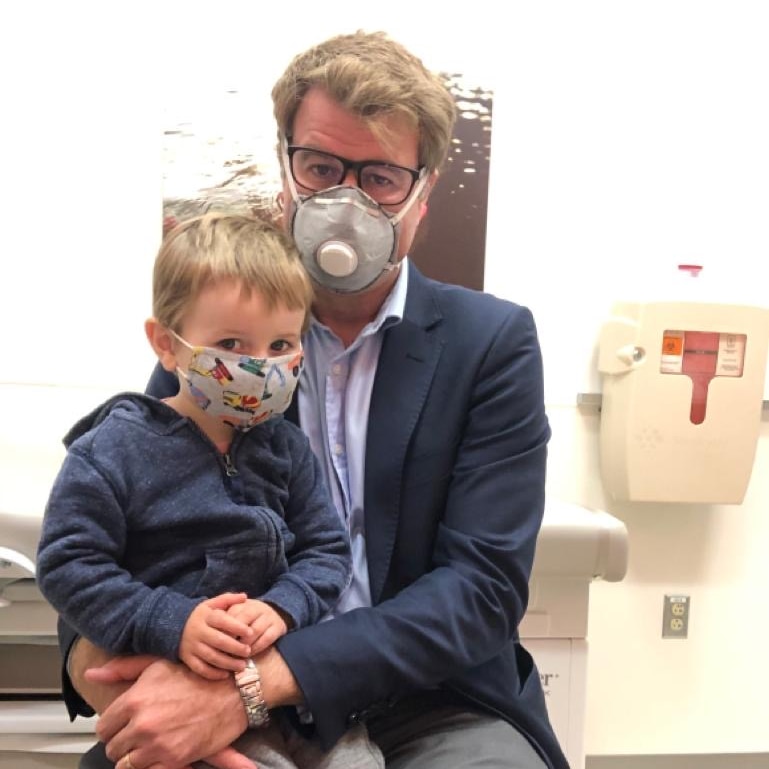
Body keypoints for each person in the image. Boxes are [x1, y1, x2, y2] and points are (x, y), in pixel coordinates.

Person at [60, 30, 570, 769]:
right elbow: (112, 538)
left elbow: (482, 590)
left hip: (435, 695)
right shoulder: (223, 340)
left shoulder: (490, 342)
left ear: (421, 198)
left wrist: (251, 687)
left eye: (381, 178)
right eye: (321, 166)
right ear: (285, 172)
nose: (345, 200)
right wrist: (117, 678)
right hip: (227, 674)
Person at [39, 213, 384, 769]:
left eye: (280, 344)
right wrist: (170, 622)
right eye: (230, 343)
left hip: (290, 693)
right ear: (165, 344)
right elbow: (66, 565)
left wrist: (283, 607)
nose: (261, 366)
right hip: (173, 685)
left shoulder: (286, 448)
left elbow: (325, 552)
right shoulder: (111, 450)